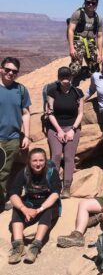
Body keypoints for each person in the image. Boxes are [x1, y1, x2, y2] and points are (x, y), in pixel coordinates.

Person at [8, 148, 61, 264]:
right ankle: (18, 246)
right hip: (30, 203)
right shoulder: (24, 172)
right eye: (35, 161)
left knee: (48, 209)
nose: (38, 164)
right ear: (29, 161)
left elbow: (55, 194)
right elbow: (13, 193)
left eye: (41, 160)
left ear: (45, 161)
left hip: (47, 204)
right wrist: (24, 208)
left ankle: (35, 246)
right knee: (17, 207)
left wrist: (39, 210)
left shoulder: (51, 172)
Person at [46, 67, 84, 198]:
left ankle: (66, 187)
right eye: (62, 76)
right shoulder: (52, 92)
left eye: (67, 76)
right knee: (56, 155)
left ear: (71, 77)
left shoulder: (78, 92)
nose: (65, 79)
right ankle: (53, 186)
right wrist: (59, 131)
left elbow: (81, 114)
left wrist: (73, 130)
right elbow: (49, 113)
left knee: (69, 157)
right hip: (55, 127)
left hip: (72, 127)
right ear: (58, 77)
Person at [0, 57, 31, 211]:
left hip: (12, 138)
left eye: (14, 71)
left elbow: (25, 113)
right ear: (1, 69)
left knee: (5, 172)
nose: (10, 73)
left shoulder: (21, 90)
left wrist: (26, 135)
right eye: (7, 69)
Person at [67, 0, 103, 86]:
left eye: (93, 3)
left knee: (95, 68)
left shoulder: (97, 18)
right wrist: (71, 47)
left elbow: (99, 36)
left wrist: (100, 53)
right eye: (88, 2)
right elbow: (70, 30)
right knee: (75, 68)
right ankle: (68, 85)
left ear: (96, 4)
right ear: (85, 2)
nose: (90, 4)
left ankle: (85, 75)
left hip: (90, 43)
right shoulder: (78, 14)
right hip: (78, 42)